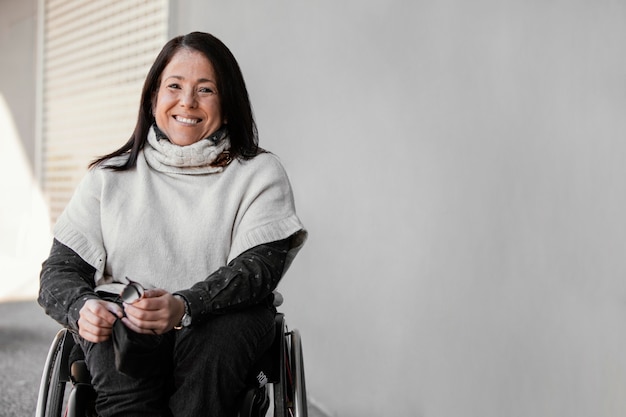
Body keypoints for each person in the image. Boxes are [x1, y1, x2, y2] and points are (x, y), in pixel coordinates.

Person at [38, 31, 307, 417]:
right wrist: (81, 306)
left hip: (220, 323)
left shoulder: (258, 173)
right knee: (115, 339)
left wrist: (184, 306)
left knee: (217, 346)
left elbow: (258, 269)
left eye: (206, 90)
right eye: (174, 86)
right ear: (153, 98)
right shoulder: (107, 177)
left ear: (228, 104)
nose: (187, 102)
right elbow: (59, 272)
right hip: (127, 320)